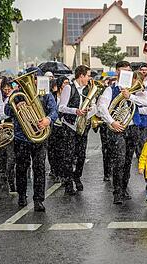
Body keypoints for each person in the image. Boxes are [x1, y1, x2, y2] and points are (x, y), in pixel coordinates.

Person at [97, 60, 147, 204]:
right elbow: (101, 107)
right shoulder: (110, 89)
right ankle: (117, 192)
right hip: (117, 128)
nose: (125, 72)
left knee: (127, 161)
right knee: (119, 160)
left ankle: (124, 188)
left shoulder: (136, 88)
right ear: (117, 72)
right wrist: (112, 121)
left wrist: (130, 96)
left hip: (133, 128)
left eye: (128, 70)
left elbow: (146, 102)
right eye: (122, 70)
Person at [4, 72, 58, 211]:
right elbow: (6, 110)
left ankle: (39, 200)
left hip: (39, 137)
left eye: (35, 78)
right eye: (31, 78)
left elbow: (54, 110)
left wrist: (48, 119)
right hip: (22, 137)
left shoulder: (44, 93)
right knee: (21, 168)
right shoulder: (17, 94)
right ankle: (22, 195)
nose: (33, 81)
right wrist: (16, 107)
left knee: (39, 168)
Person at [58, 65, 96, 195]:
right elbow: (61, 107)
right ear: (81, 76)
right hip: (70, 126)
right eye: (88, 75)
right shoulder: (69, 88)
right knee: (68, 156)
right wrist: (75, 111)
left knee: (81, 156)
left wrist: (90, 111)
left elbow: (94, 106)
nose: (89, 78)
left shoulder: (88, 89)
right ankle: (68, 183)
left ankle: (77, 176)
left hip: (83, 127)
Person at [0, 77, 16, 192]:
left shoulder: (17, 96)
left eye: (8, 89)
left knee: (19, 158)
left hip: (19, 129)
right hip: (8, 128)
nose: (7, 91)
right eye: (5, 89)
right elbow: (1, 115)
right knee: (10, 157)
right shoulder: (4, 99)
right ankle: (11, 182)